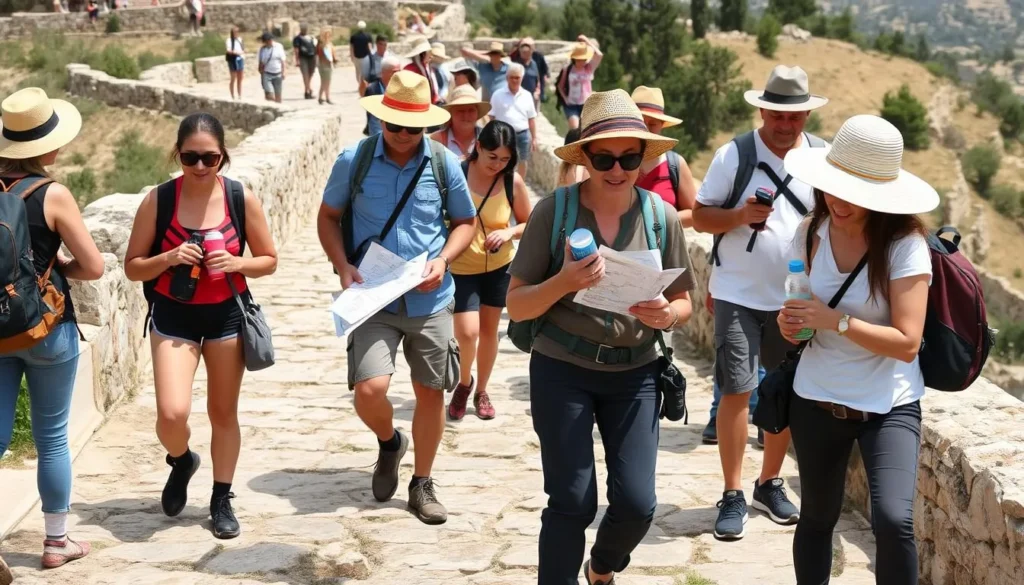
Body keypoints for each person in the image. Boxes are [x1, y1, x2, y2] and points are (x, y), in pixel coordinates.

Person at [506, 89, 694, 585]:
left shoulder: (661, 217)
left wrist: (665, 315)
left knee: (636, 504)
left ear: (644, 155)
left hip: (636, 373)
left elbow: (685, 302)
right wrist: (564, 282)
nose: (617, 168)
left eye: (630, 156)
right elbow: (517, 303)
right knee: (571, 500)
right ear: (584, 156)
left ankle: (603, 566)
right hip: (561, 368)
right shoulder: (555, 213)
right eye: (604, 157)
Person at [779, 114, 938, 585]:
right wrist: (793, 325)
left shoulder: (905, 245)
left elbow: (908, 343)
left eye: (854, 193)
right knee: (816, 518)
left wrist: (838, 322)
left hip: (888, 403)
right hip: (817, 396)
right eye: (833, 187)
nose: (838, 201)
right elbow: (799, 313)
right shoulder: (811, 232)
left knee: (893, 521)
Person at [317, 70, 477, 525]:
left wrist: (443, 260)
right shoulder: (356, 160)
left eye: (415, 127)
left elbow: (464, 222)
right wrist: (341, 265)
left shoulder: (444, 164)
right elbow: (328, 217)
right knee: (370, 390)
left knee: (431, 392)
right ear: (381, 120)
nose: (405, 135)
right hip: (373, 299)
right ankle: (390, 442)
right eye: (396, 126)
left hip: (431, 299)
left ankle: (422, 483)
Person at [124, 112, 278, 540]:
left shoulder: (239, 198)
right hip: (174, 315)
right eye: (190, 157)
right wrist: (169, 258)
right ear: (177, 154)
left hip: (227, 314)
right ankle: (182, 460)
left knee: (223, 412)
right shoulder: (160, 200)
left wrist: (238, 262)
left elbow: (268, 259)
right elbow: (133, 268)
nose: (199, 166)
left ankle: (221, 498)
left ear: (222, 157)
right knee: (172, 414)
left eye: (209, 158)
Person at [691, 65, 829, 541]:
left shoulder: (823, 158)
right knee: (736, 390)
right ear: (763, 110)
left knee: (785, 392)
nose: (785, 125)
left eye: (795, 116)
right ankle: (732, 493)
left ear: (807, 114)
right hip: (738, 294)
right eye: (777, 114)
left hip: (796, 298)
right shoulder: (734, 155)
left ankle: (768, 482)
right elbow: (700, 217)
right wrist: (739, 215)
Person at [0, 88, 104, 570]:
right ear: (48, 147)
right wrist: (54, 271)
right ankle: (56, 542)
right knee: (53, 437)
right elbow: (95, 266)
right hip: (47, 331)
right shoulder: (53, 193)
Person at [448, 121, 533, 422]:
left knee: (488, 331)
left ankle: (481, 390)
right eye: (492, 157)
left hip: (499, 267)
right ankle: (464, 381)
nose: (498, 165)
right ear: (478, 147)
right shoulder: (455, 174)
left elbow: (529, 222)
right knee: (467, 333)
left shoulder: (512, 182)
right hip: (461, 267)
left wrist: (510, 233)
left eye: (505, 159)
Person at [631, 86, 697, 228]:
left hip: (663, 248)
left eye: (653, 124)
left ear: (662, 125)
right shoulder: (613, 161)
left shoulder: (675, 164)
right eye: (641, 122)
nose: (646, 128)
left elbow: (694, 213)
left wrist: (658, 220)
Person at [488, 63, 536, 178]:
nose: (514, 80)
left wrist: (534, 138)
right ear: (507, 78)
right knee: (503, 160)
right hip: (503, 135)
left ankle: (520, 185)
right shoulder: (497, 95)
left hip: (523, 134)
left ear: (522, 78)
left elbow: (532, 118)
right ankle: (503, 184)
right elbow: (491, 117)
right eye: (512, 77)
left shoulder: (527, 95)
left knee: (523, 160)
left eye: (517, 77)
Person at [430, 84, 490, 160]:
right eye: (460, 111)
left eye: (471, 110)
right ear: (451, 114)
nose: (466, 115)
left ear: (477, 113)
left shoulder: (488, 138)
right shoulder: (436, 140)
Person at [556, 36, 602, 130]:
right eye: (579, 59)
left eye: (583, 59)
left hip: (586, 104)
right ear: (574, 59)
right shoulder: (567, 70)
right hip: (571, 105)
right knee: (575, 129)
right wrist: (565, 99)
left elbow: (599, 55)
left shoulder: (589, 68)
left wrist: (586, 41)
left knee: (586, 129)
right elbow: (560, 86)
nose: (581, 62)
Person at [362, 56, 400, 136]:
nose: (398, 75)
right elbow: (373, 120)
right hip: (377, 133)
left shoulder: (401, 89)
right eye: (394, 72)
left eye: (399, 71)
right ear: (383, 72)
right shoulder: (372, 89)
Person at [511, 37, 547, 109]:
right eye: (523, 52)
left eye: (527, 53)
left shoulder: (534, 64)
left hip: (532, 99)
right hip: (518, 99)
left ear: (531, 52)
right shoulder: (516, 65)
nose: (524, 54)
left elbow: (538, 79)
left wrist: (538, 91)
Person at [258, 32, 286, 103]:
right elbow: (260, 62)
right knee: (269, 95)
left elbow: (283, 60)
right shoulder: (262, 50)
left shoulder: (278, 47)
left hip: (278, 74)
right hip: (267, 74)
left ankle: (278, 106)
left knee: (278, 95)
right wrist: (261, 72)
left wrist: (283, 72)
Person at [293, 24, 318, 101]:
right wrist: (297, 60)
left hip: (312, 57)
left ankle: (307, 89)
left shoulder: (311, 38)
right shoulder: (297, 38)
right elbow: (296, 50)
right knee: (305, 74)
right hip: (303, 58)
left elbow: (315, 47)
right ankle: (308, 90)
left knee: (311, 74)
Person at [349, 20, 373, 85]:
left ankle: (360, 84)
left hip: (356, 57)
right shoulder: (367, 36)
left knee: (357, 71)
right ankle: (364, 84)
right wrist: (372, 56)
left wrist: (352, 56)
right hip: (365, 57)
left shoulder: (353, 37)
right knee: (364, 71)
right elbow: (369, 47)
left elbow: (351, 48)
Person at [317, 28, 336, 105]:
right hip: (324, 65)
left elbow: (332, 54)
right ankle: (327, 98)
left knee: (324, 82)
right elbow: (321, 56)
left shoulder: (329, 44)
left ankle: (320, 97)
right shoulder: (321, 45)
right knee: (326, 83)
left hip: (328, 64)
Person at [225, 27, 244, 100]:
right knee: (233, 78)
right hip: (233, 60)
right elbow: (228, 50)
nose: (236, 33)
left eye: (237, 31)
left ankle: (239, 95)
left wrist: (241, 53)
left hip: (240, 59)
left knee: (240, 78)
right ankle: (232, 95)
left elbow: (242, 49)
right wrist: (236, 52)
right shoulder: (229, 40)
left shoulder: (240, 39)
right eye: (235, 32)